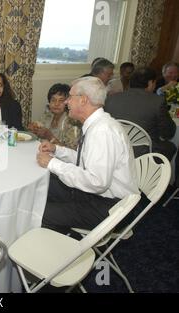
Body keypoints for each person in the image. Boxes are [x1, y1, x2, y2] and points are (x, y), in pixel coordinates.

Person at [37, 76, 139, 233]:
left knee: (39, 212)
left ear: (83, 100)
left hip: (112, 207)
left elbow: (97, 182)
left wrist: (52, 164)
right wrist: (57, 150)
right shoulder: (97, 124)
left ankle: (55, 251)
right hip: (98, 196)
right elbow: (83, 160)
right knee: (42, 187)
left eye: (70, 97)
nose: (66, 102)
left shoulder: (102, 132)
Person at [105, 67, 177, 160]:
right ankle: (153, 173)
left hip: (114, 148)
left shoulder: (111, 99)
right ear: (150, 83)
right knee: (171, 147)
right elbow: (168, 133)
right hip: (143, 153)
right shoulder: (157, 101)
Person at [28, 83, 80, 149]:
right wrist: (34, 129)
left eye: (61, 101)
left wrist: (49, 136)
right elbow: (37, 134)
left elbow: (71, 153)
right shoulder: (48, 115)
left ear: (67, 102)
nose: (56, 104)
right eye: (53, 100)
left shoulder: (72, 122)